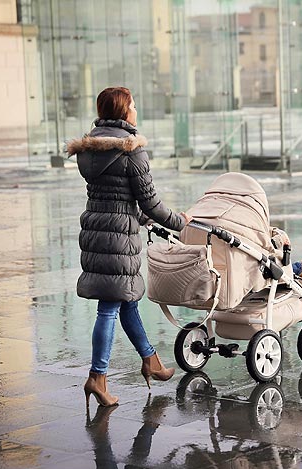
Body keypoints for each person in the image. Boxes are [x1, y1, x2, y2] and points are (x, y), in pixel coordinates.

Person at [66, 86, 191, 409]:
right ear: (123, 112)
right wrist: (180, 221)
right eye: (133, 105)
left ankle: (150, 360)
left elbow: (113, 194)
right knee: (109, 308)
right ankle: (98, 378)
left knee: (127, 302)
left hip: (97, 229)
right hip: (118, 237)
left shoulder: (89, 150)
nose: (136, 110)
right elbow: (150, 202)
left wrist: (139, 219)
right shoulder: (130, 151)